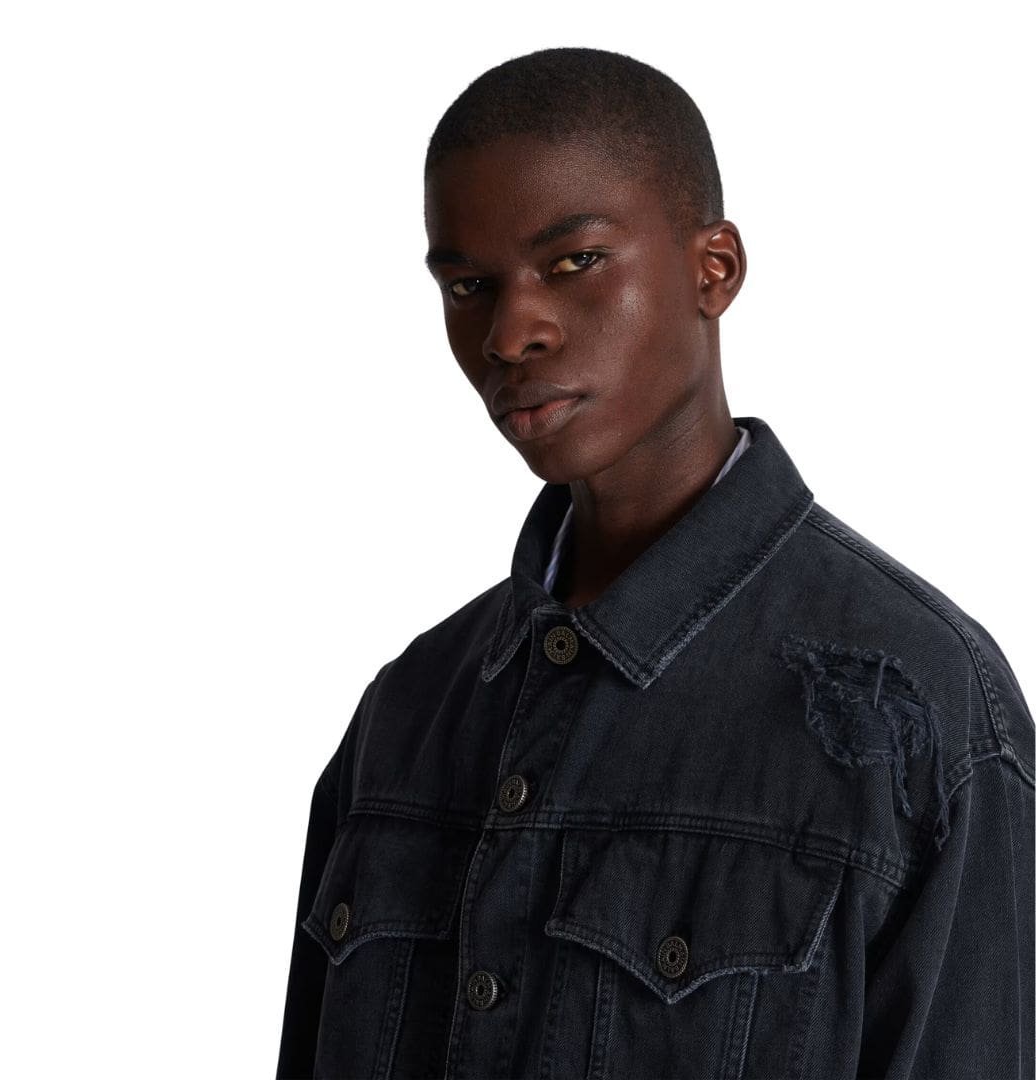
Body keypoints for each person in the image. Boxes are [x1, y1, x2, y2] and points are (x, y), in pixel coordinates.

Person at [275, 47, 1034, 1080]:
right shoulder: (406, 715)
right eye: (468, 285)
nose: (509, 333)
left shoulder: (920, 714)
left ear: (714, 269)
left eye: (574, 262)